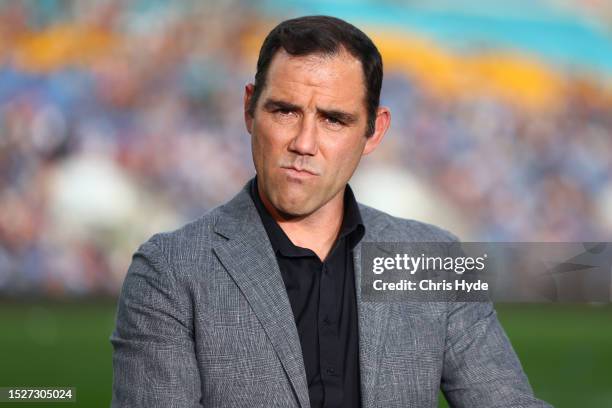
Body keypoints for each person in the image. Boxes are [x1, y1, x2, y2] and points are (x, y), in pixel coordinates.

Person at [110, 15, 551, 408]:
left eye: (333, 120)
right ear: (249, 108)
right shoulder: (171, 270)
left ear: (374, 131)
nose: (304, 143)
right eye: (285, 111)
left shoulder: (431, 260)